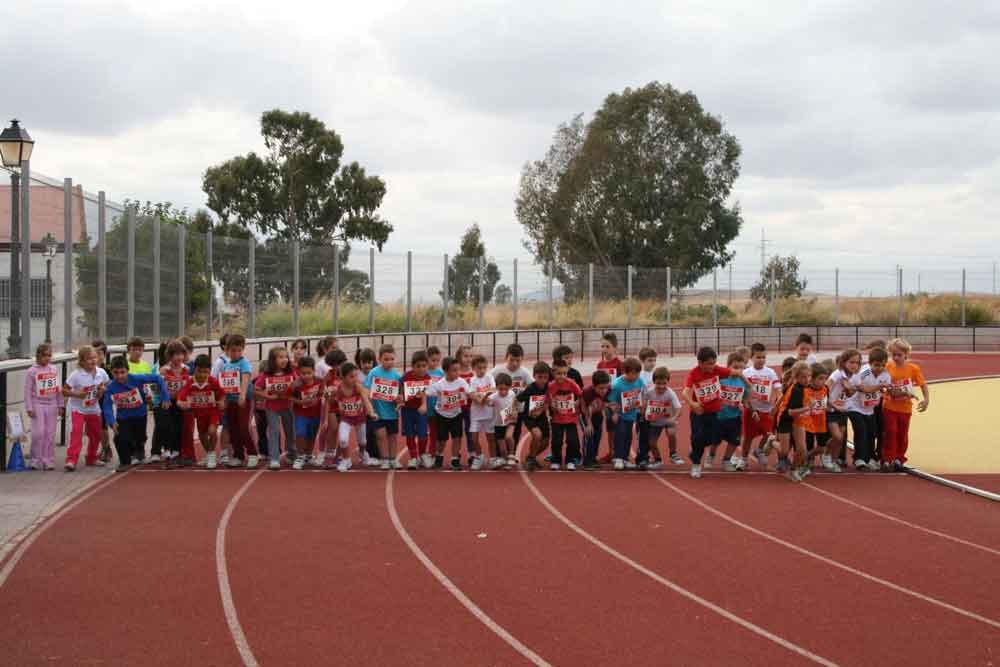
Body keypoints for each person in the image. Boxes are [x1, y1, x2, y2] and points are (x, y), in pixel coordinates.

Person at [102, 356, 169, 473]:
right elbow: (107, 406)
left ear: (128, 371)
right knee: (119, 438)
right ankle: (125, 461)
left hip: (140, 415)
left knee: (140, 437)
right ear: (111, 372)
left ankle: (139, 449)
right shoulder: (110, 387)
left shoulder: (137, 379)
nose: (120, 376)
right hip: (123, 418)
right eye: (116, 373)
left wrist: (165, 397)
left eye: (122, 372)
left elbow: (158, 378)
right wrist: (111, 422)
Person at [682, 347, 738, 479]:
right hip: (699, 412)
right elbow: (685, 392)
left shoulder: (717, 369)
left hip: (715, 412)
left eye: (714, 363)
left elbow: (735, 373)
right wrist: (693, 404)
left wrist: (748, 383)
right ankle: (696, 464)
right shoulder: (694, 373)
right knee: (697, 437)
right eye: (709, 364)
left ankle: (695, 451)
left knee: (713, 439)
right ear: (700, 363)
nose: (712, 366)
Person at [883, 338, 930, 471]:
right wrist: (889, 390)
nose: (896, 358)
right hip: (889, 407)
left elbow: (923, 384)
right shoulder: (888, 367)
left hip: (905, 408)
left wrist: (926, 399)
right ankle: (888, 459)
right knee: (890, 432)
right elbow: (884, 384)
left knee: (902, 434)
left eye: (899, 355)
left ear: (906, 355)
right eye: (894, 355)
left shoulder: (913, 369)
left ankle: (899, 458)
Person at [176, 355, 227, 468]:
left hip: (213, 412)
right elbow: (181, 395)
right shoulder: (190, 382)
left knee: (212, 431)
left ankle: (212, 454)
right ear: (195, 369)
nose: (202, 375)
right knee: (202, 435)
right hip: (199, 414)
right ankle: (209, 453)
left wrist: (222, 402)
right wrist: (180, 403)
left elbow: (222, 394)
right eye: (199, 371)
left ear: (209, 371)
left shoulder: (212, 381)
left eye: (205, 372)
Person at [63, 346, 109, 471]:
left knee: (96, 434)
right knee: (76, 433)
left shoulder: (101, 372)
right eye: (89, 359)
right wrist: (77, 394)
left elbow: (106, 384)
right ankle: (71, 460)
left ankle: (91, 457)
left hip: (93, 408)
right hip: (77, 409)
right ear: (82, 361)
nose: (93, 361)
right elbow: (64, 390)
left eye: (94, 357)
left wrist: (102, 390)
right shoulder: (76, 375)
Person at [421, 356, 470, 469]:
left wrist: (478, 397)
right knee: (441, 440)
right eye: (454, 370)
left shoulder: (461, 382)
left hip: (456, 414)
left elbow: (470, 392)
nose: (458, 372)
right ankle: (439, 456)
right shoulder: (440, 384)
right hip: (441, 415)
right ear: (446, 371)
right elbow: (425, 392)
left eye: (458, 369)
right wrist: (423, 404)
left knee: (457, 438)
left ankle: (454, 459)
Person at [213, 334, 254, 470]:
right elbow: (223, 385)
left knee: (243, 428)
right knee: (233, 428)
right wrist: (222, 400)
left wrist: (242, 395)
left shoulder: (244, 363)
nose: (235, 353)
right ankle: (238, 455)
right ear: (226, 350)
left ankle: (252, 453)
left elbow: (246, 378)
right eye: (232, 351)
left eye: (238, 350)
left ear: (243, 349)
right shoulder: (226, 365)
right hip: (230, 401)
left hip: (242, 400)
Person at [329, 362, 377, 472]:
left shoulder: (359, 387)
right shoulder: (338, 389)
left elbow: (366, 401)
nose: (355, 379)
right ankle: (346, 459)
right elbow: (331, 401)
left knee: (363, 441)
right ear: (343, 378)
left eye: (356, 375)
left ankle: (363, 453)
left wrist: (371, 413)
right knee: (343, 440)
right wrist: (329, 395)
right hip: (346, 419)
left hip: (360, 419)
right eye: (351, 377)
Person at [848, 347, 891, 471]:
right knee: (861, 431)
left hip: (870, 409)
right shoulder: (863, 373)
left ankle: (870, 458)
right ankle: (859, 459)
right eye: (876, 365)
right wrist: (879, 386)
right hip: (855, 407)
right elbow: (863, 389)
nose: (880, 368)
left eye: (883, 365)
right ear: (870, 363)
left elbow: (885, 391)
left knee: (872, 433)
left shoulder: (886, 375)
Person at [255, 346, 298, 470]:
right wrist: (267, 396)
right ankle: (274, 458)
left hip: (287, 406)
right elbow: (256, 390)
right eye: (280, 357)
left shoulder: (291, 373)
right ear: (273, 360)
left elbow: (298, 385)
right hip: (271, 407)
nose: (284, 359)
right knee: (274, 431)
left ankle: (291, 454)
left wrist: (292, 389)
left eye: (286, 357)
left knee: (290, 431)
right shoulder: (266, 374)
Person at [24, 343, 64, 471]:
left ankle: (48, 460)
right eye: (45, 355)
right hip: (38, 404)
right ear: (38, 356)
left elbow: (58, 389)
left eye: (49, 355)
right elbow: (28, 391)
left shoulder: (53, 369)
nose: (47, 358)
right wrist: (29, 407)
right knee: (38, 433)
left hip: (52, 403)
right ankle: (35, 459)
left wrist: (61, 404)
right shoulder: (32, 371)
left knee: (50, 433)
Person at [364, 344, 404, 470]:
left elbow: (400, 395)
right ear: (380, 359)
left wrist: (399, 400)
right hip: (377, 412)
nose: (389, 362)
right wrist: (370, 405)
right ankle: (385, 459)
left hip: (392, 412)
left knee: (392, 436)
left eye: (392, 359)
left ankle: (393, 459)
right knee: (381, 436)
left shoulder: (397, 376)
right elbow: (366, 389)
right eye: (386, 359)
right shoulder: (374, 372)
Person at [744, 342, 782, 470]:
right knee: (748, 437)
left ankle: (759, 450)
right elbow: (743, 394)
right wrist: (750, 408)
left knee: (768, 435)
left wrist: (775, 406)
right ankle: (743, 459)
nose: (761, 360)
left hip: (767, 410)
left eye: (763, 357)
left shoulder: (770, 372)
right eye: (758, 357)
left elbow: (778, 391)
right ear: (751, 357)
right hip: (750, 410)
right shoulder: (746, 373)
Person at [774, 361, 812, 482]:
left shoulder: (804, 387)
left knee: (802, 450)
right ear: (796, 378)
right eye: (803, 377)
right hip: (786, 419)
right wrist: (807, 408)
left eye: (809, 376)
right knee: (784, 451)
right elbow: (791, 412)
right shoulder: (796, 390)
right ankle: (771, 441)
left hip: (798, 419)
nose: (807, 379)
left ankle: (793, 470)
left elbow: (782, 396)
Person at [713, 352, 751, 472]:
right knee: (715, 440)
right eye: (735, 367)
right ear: (728, 367)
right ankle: (711, 455)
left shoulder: (743, 383)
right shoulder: (721, 379)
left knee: (734, 441)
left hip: (734, 416)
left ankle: (726, 460)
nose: (738, 371)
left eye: (741, 368)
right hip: (719, 416)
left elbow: (745, 399)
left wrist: (746, 405)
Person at [640, 367, 682, 469]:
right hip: (655, 421)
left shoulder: (670, 393)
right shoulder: (649, 392)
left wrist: (674, 418)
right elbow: (644, 407)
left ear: (668, 382)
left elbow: (679, 409)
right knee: (652, 443)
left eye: (664, 383)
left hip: (668, 419)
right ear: (654, 382)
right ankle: (658, 460)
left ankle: (673, 454)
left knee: (671, 432)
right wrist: (645, 416)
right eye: (658, 383)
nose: (661, 386)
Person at [607, 357, 644, 471]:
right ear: (625, 372)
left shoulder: (639, 381)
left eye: (638, 373)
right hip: (620, 414)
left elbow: (640, 395)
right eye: (633, 374)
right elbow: (610, 400)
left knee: (628, 436)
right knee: (620, 433)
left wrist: (641, 407)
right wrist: (614, 413)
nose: (636, 376)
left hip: (631, 414)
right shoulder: (617, 385)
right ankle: (618, 458)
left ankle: (625, 458)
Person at [157, 340, 190, 465]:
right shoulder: (164, 370)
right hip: (167, 402)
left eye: (181, 354)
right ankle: (167, 449)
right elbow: (160, 387)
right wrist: (165, 399)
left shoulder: (186, 369)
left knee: (178, 426)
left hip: (180, 402)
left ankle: (176, 450)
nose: (179, 357)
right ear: (170, 355)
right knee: (167, 425)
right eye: (176, 354)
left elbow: (187, 386)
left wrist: (185, 400)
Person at [547, 359, 583, 470]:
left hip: (571, 418)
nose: (562, 376)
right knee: (557, 441)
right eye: (559, 374)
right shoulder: (551, 386)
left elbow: (581, 395)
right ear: (553, 373)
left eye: (564, 373)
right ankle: (556, 460)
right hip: (557, 418)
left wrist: (577, 403)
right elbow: (547, 399)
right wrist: (551, 404)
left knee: (571, 440)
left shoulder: (571, 383)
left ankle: (570, 460)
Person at [827, 349, 860, 470]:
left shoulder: (855, 377)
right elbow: (825, 387)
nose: (854, 365)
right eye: (851, 362)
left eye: (857, 363)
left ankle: (834, 461)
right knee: (837, 436)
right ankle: (826, 454)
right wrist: (831, 404)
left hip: (842, 410)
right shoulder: (837, 374)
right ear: (844, 362)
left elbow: (854, 392)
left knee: (841, 440)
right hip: (831, 408)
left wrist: (850, 390)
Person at [401, 351, 433, 469]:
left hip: (421, 411)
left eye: (424, 366)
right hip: (407, 410)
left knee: (423, 434)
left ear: (427, 366)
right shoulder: (405, 377)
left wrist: (424, 404)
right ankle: (413, 457)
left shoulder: (428, 378)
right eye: (418, 366)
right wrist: (400, 400)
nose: (421, 369)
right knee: (409, 434)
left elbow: (427, 393)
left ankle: (423, 454)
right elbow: (400, 392)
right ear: (413, 366)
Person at [518, 361, 552, 470]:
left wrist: (541, 410)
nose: (542, 380)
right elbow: (517, 399)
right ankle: (531, 459)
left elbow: (548, 401)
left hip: (541, 417)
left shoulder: (549, 387)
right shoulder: (530, 388)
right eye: (539, 377)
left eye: (545, 377)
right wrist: (514, 411)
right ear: (534, 376)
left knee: (546, 442)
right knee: (537, 435)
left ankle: (531, 457)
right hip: (529, 417)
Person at [805, 363, 839, 472]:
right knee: (808, 444)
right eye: (820, 379)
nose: (823, 381)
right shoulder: (805, 390)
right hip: (808, 422)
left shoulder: (825, 389)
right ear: (811, 379)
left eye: (825, 378)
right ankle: (809, 460)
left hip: (821, 421)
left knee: (822, 447)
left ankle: (805, 457)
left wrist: (832, 407)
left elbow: (825, 401)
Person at [291, 357, 324, 467]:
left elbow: (321, 393)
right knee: (300, 433)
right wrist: (300, 402)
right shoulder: (296, 385)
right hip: (301, 414)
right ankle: (300, 456)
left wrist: (317, 399)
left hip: (315, 413)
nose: (306, 376)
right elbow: (288, 397)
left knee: (312, 434)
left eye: (309, 373)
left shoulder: (319, 381)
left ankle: (309, 455)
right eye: (303, 373)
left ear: (313, 371)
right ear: (299, 372)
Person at [596, 333, 624, 464]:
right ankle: (612, 452)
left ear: (615, 348)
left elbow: (624, 382)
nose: (604, 349)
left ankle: (620, 453)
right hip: (606, 401)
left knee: (620, 427)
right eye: (602, 346)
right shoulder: (600, 365)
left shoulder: (619, 364)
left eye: (607, 346)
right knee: (610, 427)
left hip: (617, 401)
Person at [467, 354, 496, 470]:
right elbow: (478, 401)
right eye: (479, 368)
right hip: (476, 415)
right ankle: (479, 457)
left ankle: (493, 459)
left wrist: (486, 397)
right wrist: (485, 397)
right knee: (473, 438)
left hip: (489, 414)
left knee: (491, 439)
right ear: (473, 368)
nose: (482, 370)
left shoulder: (490, 378)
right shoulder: (472, 381)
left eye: (484, 367)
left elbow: (493, 392)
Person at [355, 348, 381, 466]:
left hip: (375, 408)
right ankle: (366, 453)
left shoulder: (376, 373)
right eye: (364, 362)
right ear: (360, 363)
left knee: (376, 431)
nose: (366, 365)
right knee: (365, 433)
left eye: (369, 362)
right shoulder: (357, 375)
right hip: (362, 409)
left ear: (373, 362)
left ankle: (376, 454)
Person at [581, 371, 612, 470]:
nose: (604, 391)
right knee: (589, 434)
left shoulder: (609, 390)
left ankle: (593, 457)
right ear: (594, 386)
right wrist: (588, 424)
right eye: (601, 388)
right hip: (585, 415)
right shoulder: (587, 392)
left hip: (598, 415)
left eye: (606, 387)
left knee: (597, 436)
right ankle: (586, 460)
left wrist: (614, 412)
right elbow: (584, 408)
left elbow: (610, 402)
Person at [90, 339, 114, 464]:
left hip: (103, 402)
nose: (97, 357)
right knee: (92, 429)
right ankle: (95, 449)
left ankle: (106, 449)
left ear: (104, 355)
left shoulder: (107, 370)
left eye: (100, 354)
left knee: (102, 427)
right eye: (94, 354)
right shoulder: (86, 370)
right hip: (89, 404)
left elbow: (111, 384)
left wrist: (104, 388)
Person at [487, 373, 517, 468]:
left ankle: (511, 454)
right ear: (496, 387)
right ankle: (505, 460)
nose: (503, 392)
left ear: (510, 387)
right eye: (500, 389)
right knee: (502, 448)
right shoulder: (494, 396)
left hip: (510, 420)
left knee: (508, 437)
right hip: (498, 423)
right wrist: (485, 397)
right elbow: (487, 403)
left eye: (505, 389)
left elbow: (514, 403)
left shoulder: (512, 393)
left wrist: (514, 411)